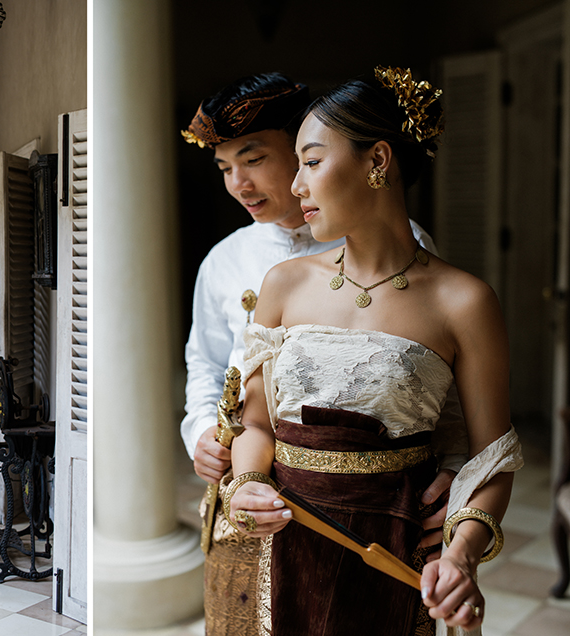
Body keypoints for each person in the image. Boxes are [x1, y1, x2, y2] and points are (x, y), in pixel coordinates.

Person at [226, 67, 523, 636]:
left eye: (311, 162)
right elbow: (256, 424)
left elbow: (492, 460)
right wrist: (248, 485)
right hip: (285, 546)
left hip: (395, 552)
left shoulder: (465, 302)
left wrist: (460, 556)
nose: (295, 186)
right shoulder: (282, 285)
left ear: (377, 161)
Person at [180, 72, 465, 635]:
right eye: (224, 169)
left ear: (301, 146)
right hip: (254, 496)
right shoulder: (223, 259)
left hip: (374, 508)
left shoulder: (406, 247)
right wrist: (199, 433)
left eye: (254, 159)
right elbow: (206, 365)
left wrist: (455, 468)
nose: (239, 183)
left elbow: (437, 383)